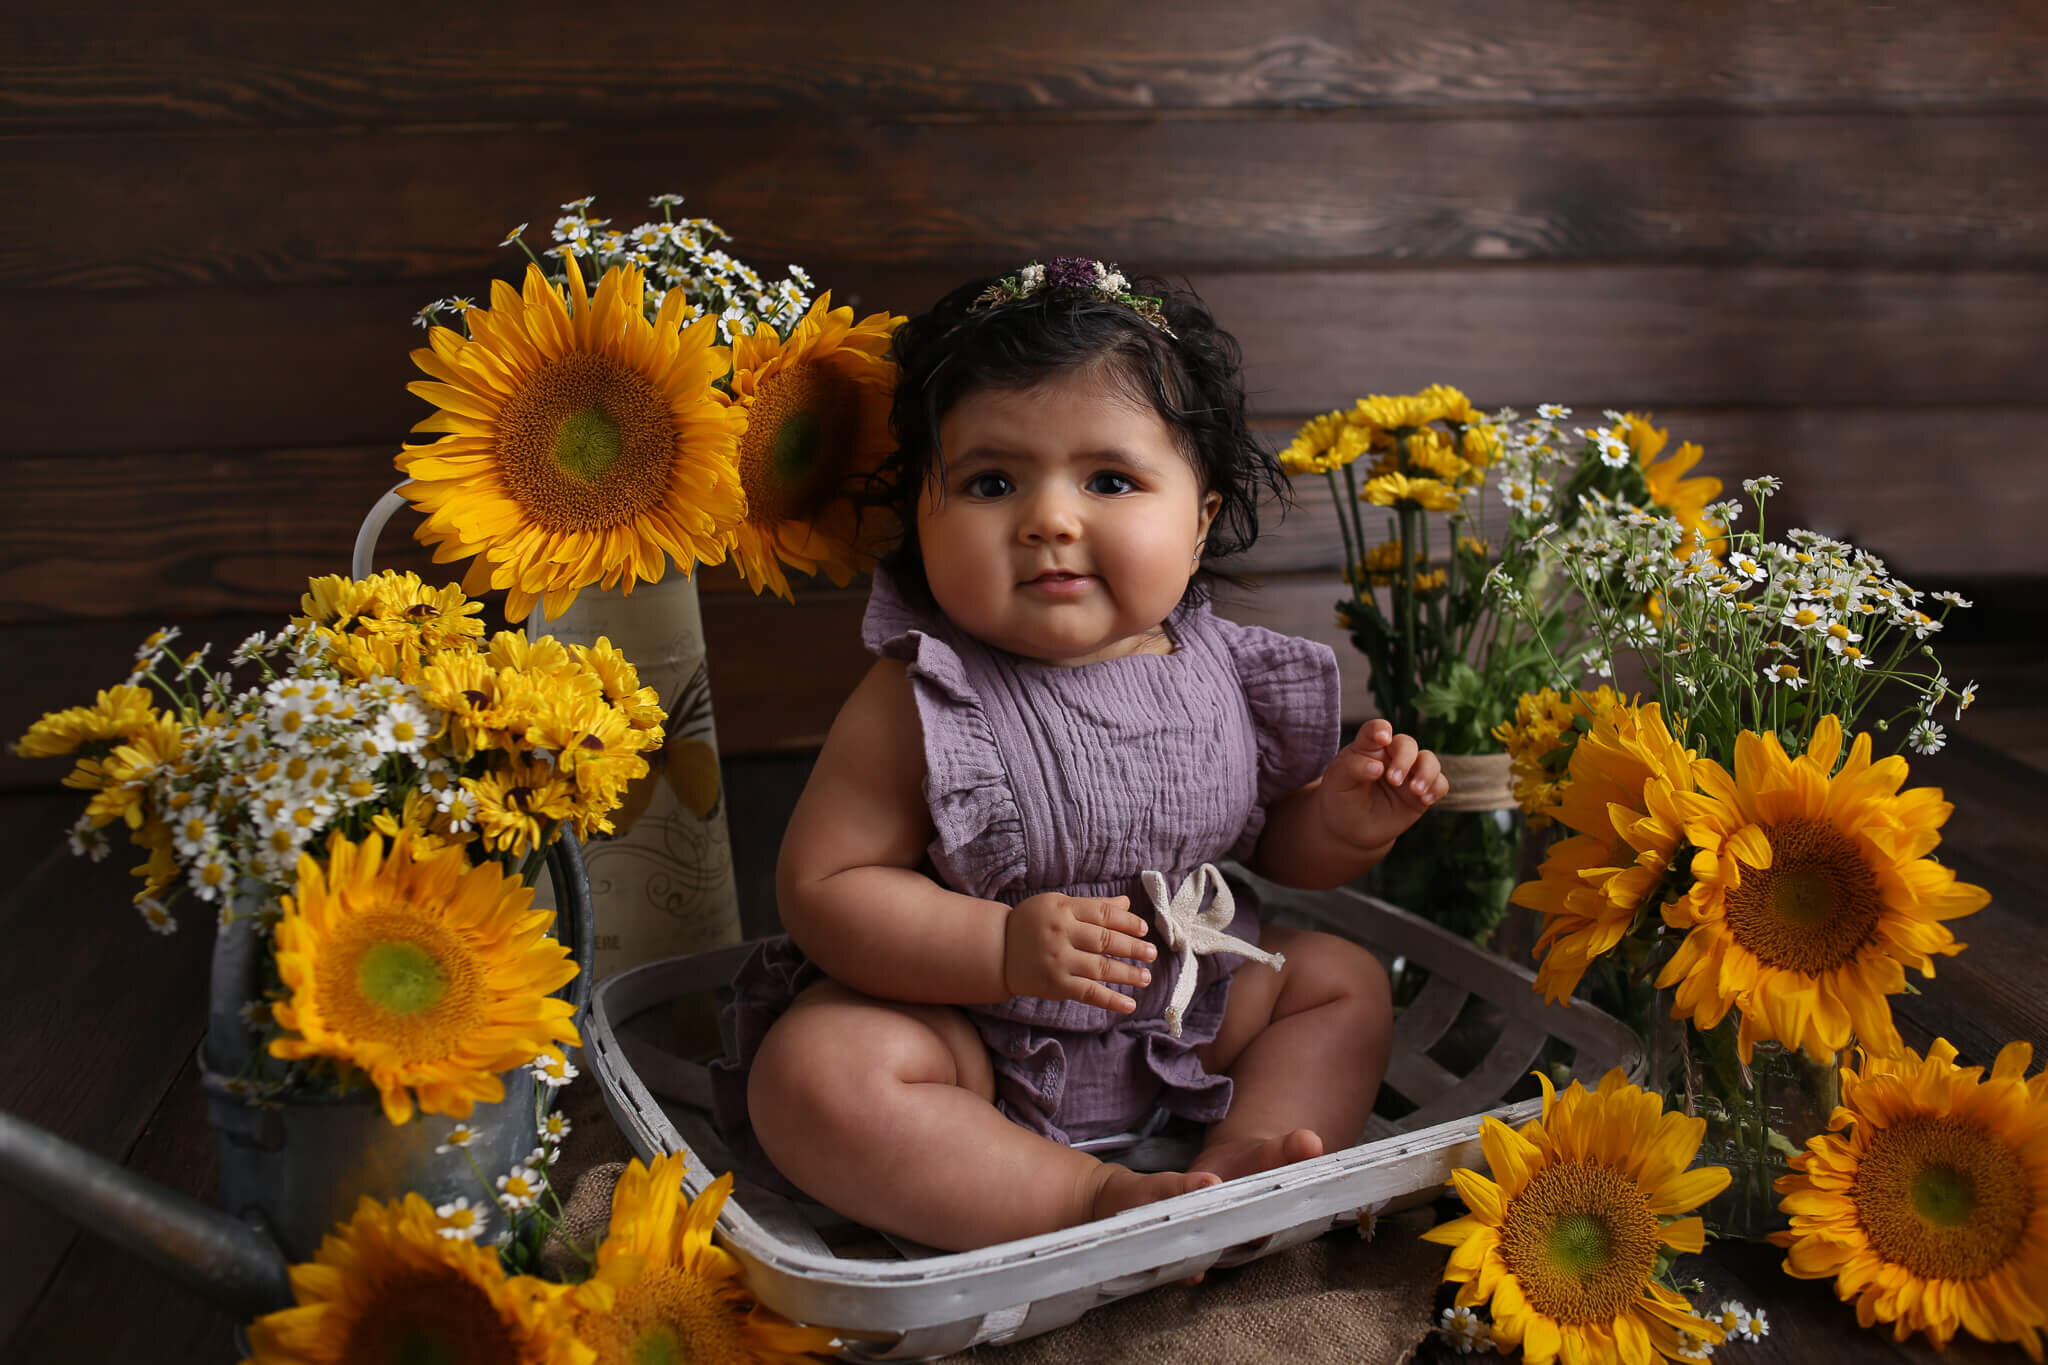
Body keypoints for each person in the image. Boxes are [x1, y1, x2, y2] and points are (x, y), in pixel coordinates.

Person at [709, 258, 1449, 1252]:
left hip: (1186, 1005)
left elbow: (1271, 849)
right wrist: (999, 950)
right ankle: (1079, 1201)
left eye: (1108, 479)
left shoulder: (1226, 671)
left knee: (1340, 980)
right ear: (922, 518)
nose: (1048, 519)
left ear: (1195, 521)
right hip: (968, 1034)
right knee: (813, 1072)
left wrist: (1342, 823)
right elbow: (826, 885)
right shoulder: (919, 693)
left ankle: (1247, 1158)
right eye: (989, 481)